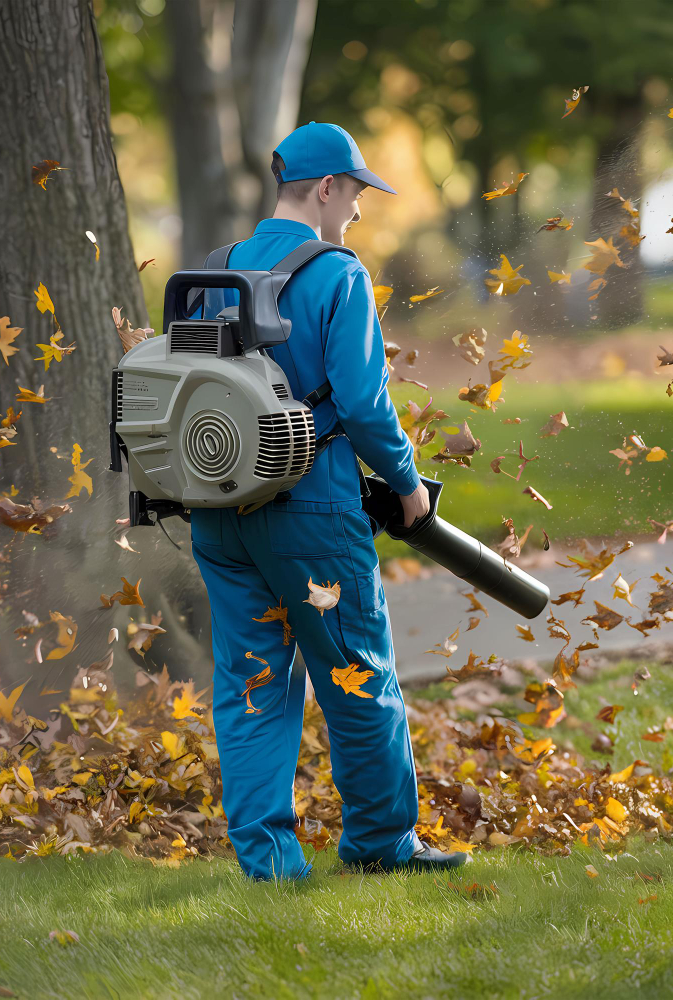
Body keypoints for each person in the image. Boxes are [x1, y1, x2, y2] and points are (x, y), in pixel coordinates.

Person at [188, 122, 468, 880]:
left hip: (219, 514)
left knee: (251, 686)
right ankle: (382, 844)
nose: (356, 212)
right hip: (311, 521)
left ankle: (270, 864)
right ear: (324, 189)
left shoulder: (215, 270)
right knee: (355, 675)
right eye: (354, 194)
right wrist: (407, 486)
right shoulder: (337, 273)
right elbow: (364, 403)